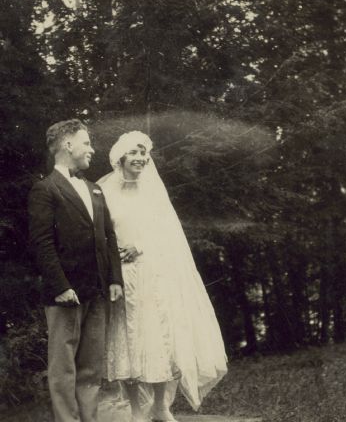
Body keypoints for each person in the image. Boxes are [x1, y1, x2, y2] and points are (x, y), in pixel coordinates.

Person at [99, 131, 227, 422]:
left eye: (144, 153)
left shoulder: (154, 192)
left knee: (158, 338)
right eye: (134, 153)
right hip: (122, 277)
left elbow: (169, 234)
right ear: (120, 157)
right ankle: (135, 410)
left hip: (154, 273)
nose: (140, 159)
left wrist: (140, 246)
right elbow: (100, 234)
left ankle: (160, 406)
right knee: (128, 340)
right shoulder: (104, 191)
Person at [28, 119, 124, 422]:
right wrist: (60, 286)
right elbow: (42, 244)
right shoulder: (45, 189)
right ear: (68, 145)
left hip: (96, 290)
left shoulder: (95, 189)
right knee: (63, 368)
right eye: (86, 143)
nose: (92, 150)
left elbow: (109, 237)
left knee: (91, 367)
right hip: (65, 293)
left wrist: (114, 279)